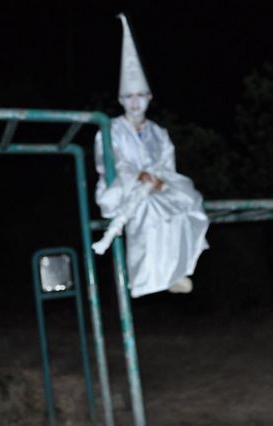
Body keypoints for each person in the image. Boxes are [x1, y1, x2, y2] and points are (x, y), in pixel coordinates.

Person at [92, 13, 209, 298]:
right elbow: (108, 161)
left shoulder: (159, 132)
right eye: (129, 96)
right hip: (123, 187)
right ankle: (147, 277)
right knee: (149, 210)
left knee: (186, 201)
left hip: (156, 184)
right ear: (121, 100)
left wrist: (160, 181)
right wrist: (137, 176)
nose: (135, 102)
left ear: (149, 98)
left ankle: (177, 269)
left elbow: (168, 163)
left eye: (140, 95)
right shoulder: (111, 129)